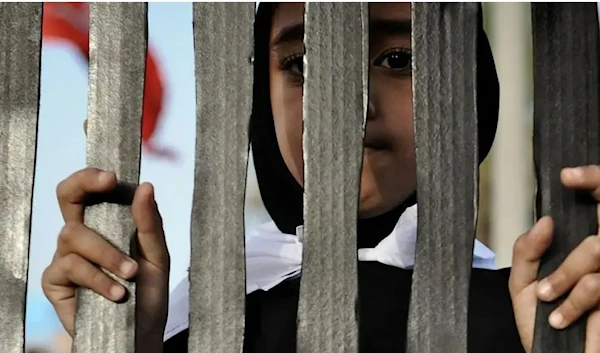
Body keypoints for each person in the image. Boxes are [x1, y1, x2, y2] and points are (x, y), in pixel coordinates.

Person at [42, 3, 600, 353]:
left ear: (469, 89)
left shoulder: (539, 311)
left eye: (399, 59)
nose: (349, 106)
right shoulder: (193, 321)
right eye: (301, 64)